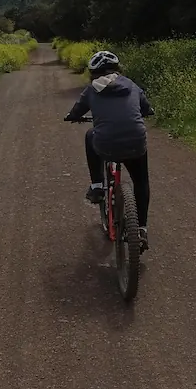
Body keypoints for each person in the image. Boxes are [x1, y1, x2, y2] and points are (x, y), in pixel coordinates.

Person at [63, 50, 155, 251]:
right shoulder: (131, 85)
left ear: (92, 72)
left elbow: (77, 111)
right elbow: (146, 108)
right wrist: (146, 111)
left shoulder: (91, 90)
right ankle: (141, 229)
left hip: (105, 144)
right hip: (136, 143)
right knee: (141, 181)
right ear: (118, 68)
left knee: (90, 135)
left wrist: (72, 116)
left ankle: (97, 185)